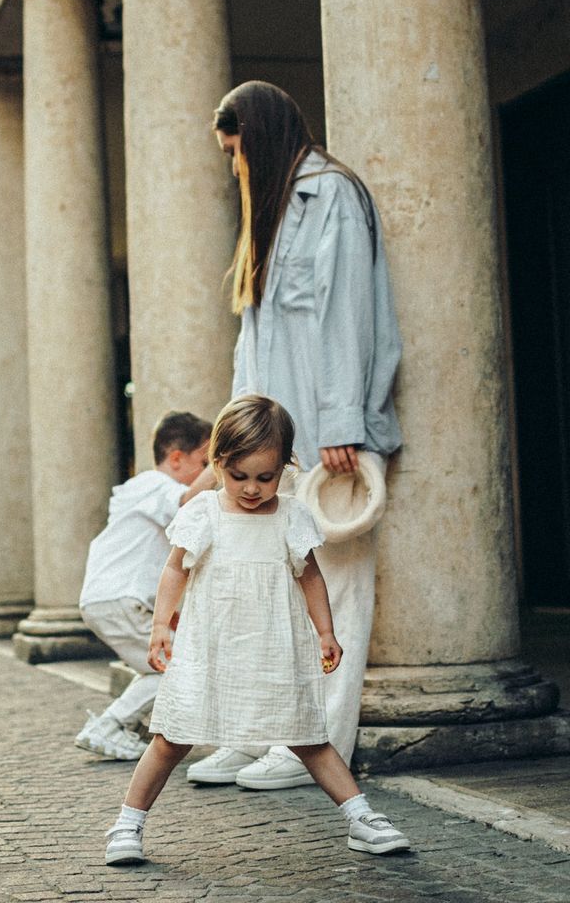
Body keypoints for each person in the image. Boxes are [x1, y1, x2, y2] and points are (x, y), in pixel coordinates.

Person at [188, 80, 402, 790]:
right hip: (273, 443)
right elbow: (254, 344)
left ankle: (315, 746)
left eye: (236, 150)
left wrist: (342, 420)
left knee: (333, 590)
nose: (233, 166)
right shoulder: (273, 214)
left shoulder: (331, 195)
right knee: (264, 593)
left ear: (263, 136)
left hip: (328, 439)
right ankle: (257, 734)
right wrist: (235, 439)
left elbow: (349, 314)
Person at [104, 396, 410, 866]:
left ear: (285, 466)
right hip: (210, 650)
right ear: (218, 463)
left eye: (265, 477)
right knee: (171, 738)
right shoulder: (204, 512)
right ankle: (128, 824)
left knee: (309, 737)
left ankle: (362, 819)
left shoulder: (291, 515)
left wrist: (326, 631)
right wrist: (161, 626)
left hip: (275, 651)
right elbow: (174, 570)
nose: (251, 489)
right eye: (239, 476)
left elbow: (309, 574)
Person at [75, 410, 213, 760]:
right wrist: (224, 462)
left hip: (114, 599)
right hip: (119, 598)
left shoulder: (147, 492)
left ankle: (121, 728)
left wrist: (167, 615)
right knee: (178, 667)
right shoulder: (153, 485)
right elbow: (186, 504)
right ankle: (109, 726)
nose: (210, 470)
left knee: (161, 667)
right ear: (176, 458)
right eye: (205, 461)